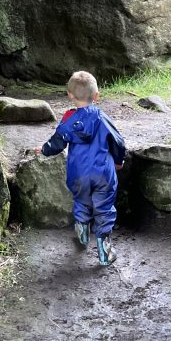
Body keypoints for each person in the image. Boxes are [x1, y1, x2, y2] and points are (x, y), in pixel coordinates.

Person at [36, 70, 126, 266]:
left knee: (81, 202)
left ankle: (83, 235)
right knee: (103, 209)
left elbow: (56, 143)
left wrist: (43, 150)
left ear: (70, 95)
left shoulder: (68, 120)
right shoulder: (102, 118)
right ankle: (104, 252)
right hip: (103, 173)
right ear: (96, 96)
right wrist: (119, 161)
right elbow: (118, 142)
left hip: (78, 173)